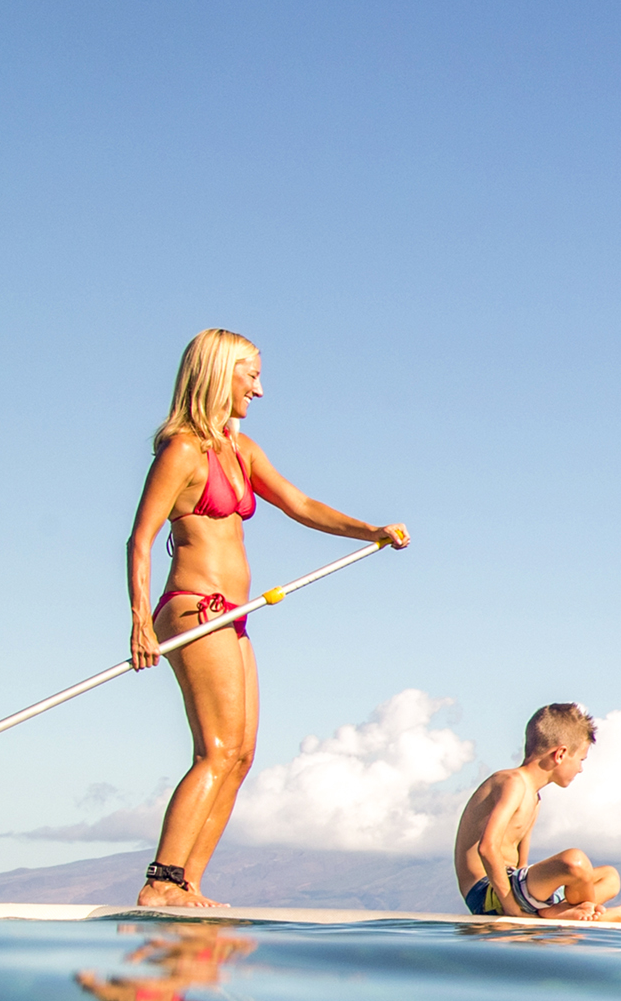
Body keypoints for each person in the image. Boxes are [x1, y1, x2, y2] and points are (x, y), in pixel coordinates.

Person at [124, 330, 409, 909]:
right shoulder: (183, 450)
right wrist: (138, 620)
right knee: (216, 748)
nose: (259, 387)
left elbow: (300, 505)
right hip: (195, 609)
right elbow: (141, 537)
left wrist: (370, 530)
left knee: (242, 754)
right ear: (218, 374)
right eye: (250, 374)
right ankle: (161, 881)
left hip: (235, 616)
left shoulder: (242, 449)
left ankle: (189, 884)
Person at [451, 703, 621, 922]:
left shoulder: (534, 798)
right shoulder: (512, 783)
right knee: (575, 861)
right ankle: (589, 915)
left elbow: (521, 866)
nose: (580, 769)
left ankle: (557, 911)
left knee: (610, 877)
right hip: (489, 894)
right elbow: (487, 847)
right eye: (581, 760)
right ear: (561, 754)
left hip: (517, 888)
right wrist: (513, 911)